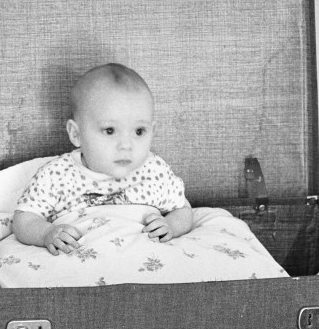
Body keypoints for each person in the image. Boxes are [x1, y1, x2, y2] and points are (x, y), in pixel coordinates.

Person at [12, 64, 194, 255]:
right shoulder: (57, 175)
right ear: (76, 134)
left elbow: (182, 209)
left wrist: (170, 225)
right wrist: (46, 233)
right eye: (110, 130)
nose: (126, 145)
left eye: (139, 131)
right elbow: (24, 218)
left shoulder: (154, 171)